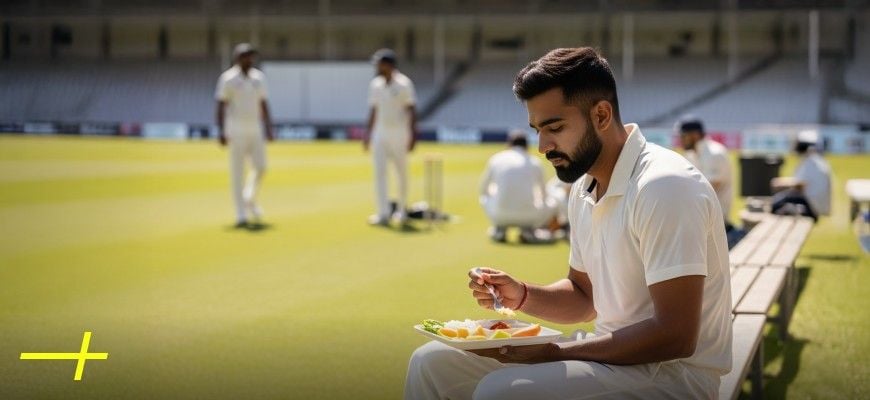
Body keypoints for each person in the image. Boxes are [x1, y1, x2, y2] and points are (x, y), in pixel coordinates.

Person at [405, 47, 732, 399]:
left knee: (502, 392)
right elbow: (584, 297)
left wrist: (554, 353)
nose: (543, 146)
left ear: (602, 115)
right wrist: (522, 295)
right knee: (431, 363)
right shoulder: (582, 186)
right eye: (537, 130)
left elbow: (676, 336)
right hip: (613, 361)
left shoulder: (664, 185)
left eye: (555, 127)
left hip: (675, 379)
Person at [215, 43, 274, 227]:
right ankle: (241, 215)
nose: (249, 59)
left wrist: (269, 127)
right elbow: (220, 105)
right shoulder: (228, 79)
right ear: (237, 58)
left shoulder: (258, 78)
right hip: (236, 130)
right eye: (246, 56)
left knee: (261, 166)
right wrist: (221, 131)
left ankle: (249, 196)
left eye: (251, 56)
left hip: (255, 129)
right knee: (237, 172)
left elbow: (264, 103)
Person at [364, 48, 418, 226]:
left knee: (400, 173)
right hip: (380, 133)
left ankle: (402, 211)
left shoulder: (404, 84)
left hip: (399, 133)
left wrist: (412, 135)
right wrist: (367, 134)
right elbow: (373, 110)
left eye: (380, 63)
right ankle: (383, 213)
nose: (377, 66)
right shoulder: (376, 84)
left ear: (388, 64)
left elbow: (411, 109)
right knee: (380, 173)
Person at [479, 130, 556, 243]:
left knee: (486, 195)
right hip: (530, 217)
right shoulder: (535, 162)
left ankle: (500, 229)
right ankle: (528, 230)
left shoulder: (497, 159)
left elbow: (483, 188)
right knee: (552, 201)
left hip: (500, 215)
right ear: (527, 146)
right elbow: (544, 194)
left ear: (509, 144)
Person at [678, 117, 734, 226]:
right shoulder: (691, 154)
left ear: (695, 135)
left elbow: (708, 189)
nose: (681, 139)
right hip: (700, 216)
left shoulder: (715, 154)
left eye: (683, 135)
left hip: (716, 221)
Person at [771, 129, 832, 221]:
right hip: (815, 206)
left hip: (810, 207)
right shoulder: (815, 160)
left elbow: (800, 185)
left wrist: (780, 183)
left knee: (775, 204)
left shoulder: (810, 162)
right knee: (781, 200)